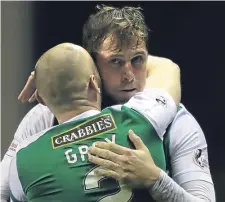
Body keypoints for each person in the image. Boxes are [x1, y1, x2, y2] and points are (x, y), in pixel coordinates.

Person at [1, 4, 215, 202]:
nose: (129, 75)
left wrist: (157, 180)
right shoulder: (43, 117)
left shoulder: (177, 121)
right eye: (116, 62)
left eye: (138, 59)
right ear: (92, 69)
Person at [9, 42, 178, 202]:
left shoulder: (23, 159)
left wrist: (46, 76)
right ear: (93, 83)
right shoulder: (141, 117)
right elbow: (167, 68)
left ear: (40, 98)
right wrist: (100, 64)